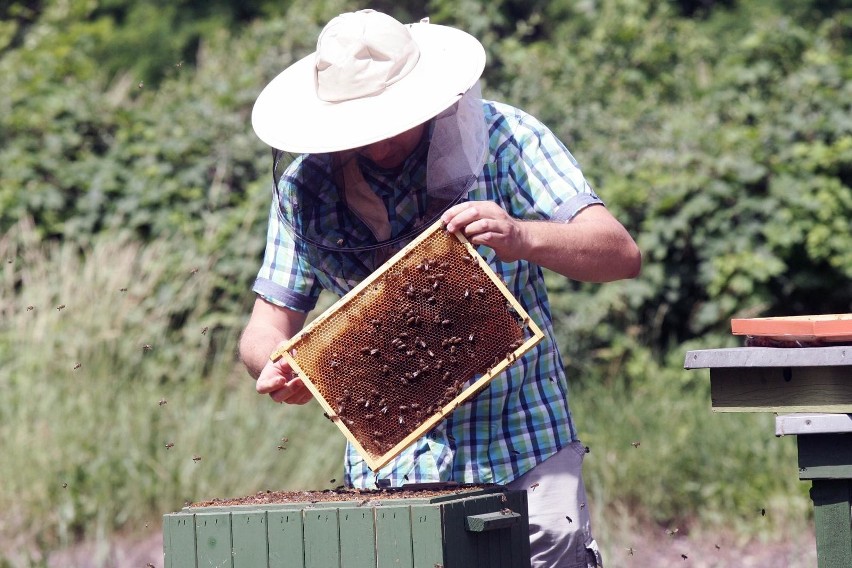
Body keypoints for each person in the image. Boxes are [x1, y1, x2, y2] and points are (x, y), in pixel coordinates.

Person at [239, 9, 641, 567]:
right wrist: (279, 364)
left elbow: (619, 253)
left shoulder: (505, 138)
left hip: (524, 445)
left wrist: (522, 236)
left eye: (385, 121)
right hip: (394, 473)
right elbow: (266, 325)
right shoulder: (306, 186)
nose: (375, 144)